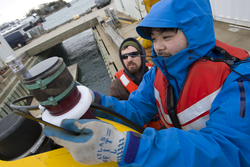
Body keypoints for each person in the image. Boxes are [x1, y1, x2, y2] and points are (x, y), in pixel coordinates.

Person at [44, 0, 250, 166]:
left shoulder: (238, 76)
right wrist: (91, 101)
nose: (158, 47)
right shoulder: (157, 74)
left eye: (167, 37)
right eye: (153, 38)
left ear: (194, 31)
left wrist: (128, 148)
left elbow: (229, 148)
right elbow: (134, 109)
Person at [109, 37, 164, 130]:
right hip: (144, 135)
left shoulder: (157, 71)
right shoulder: (116, 87)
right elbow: (117, 117)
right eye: (124, 57)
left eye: (133, 54)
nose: (129, 59)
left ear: (142, 54)